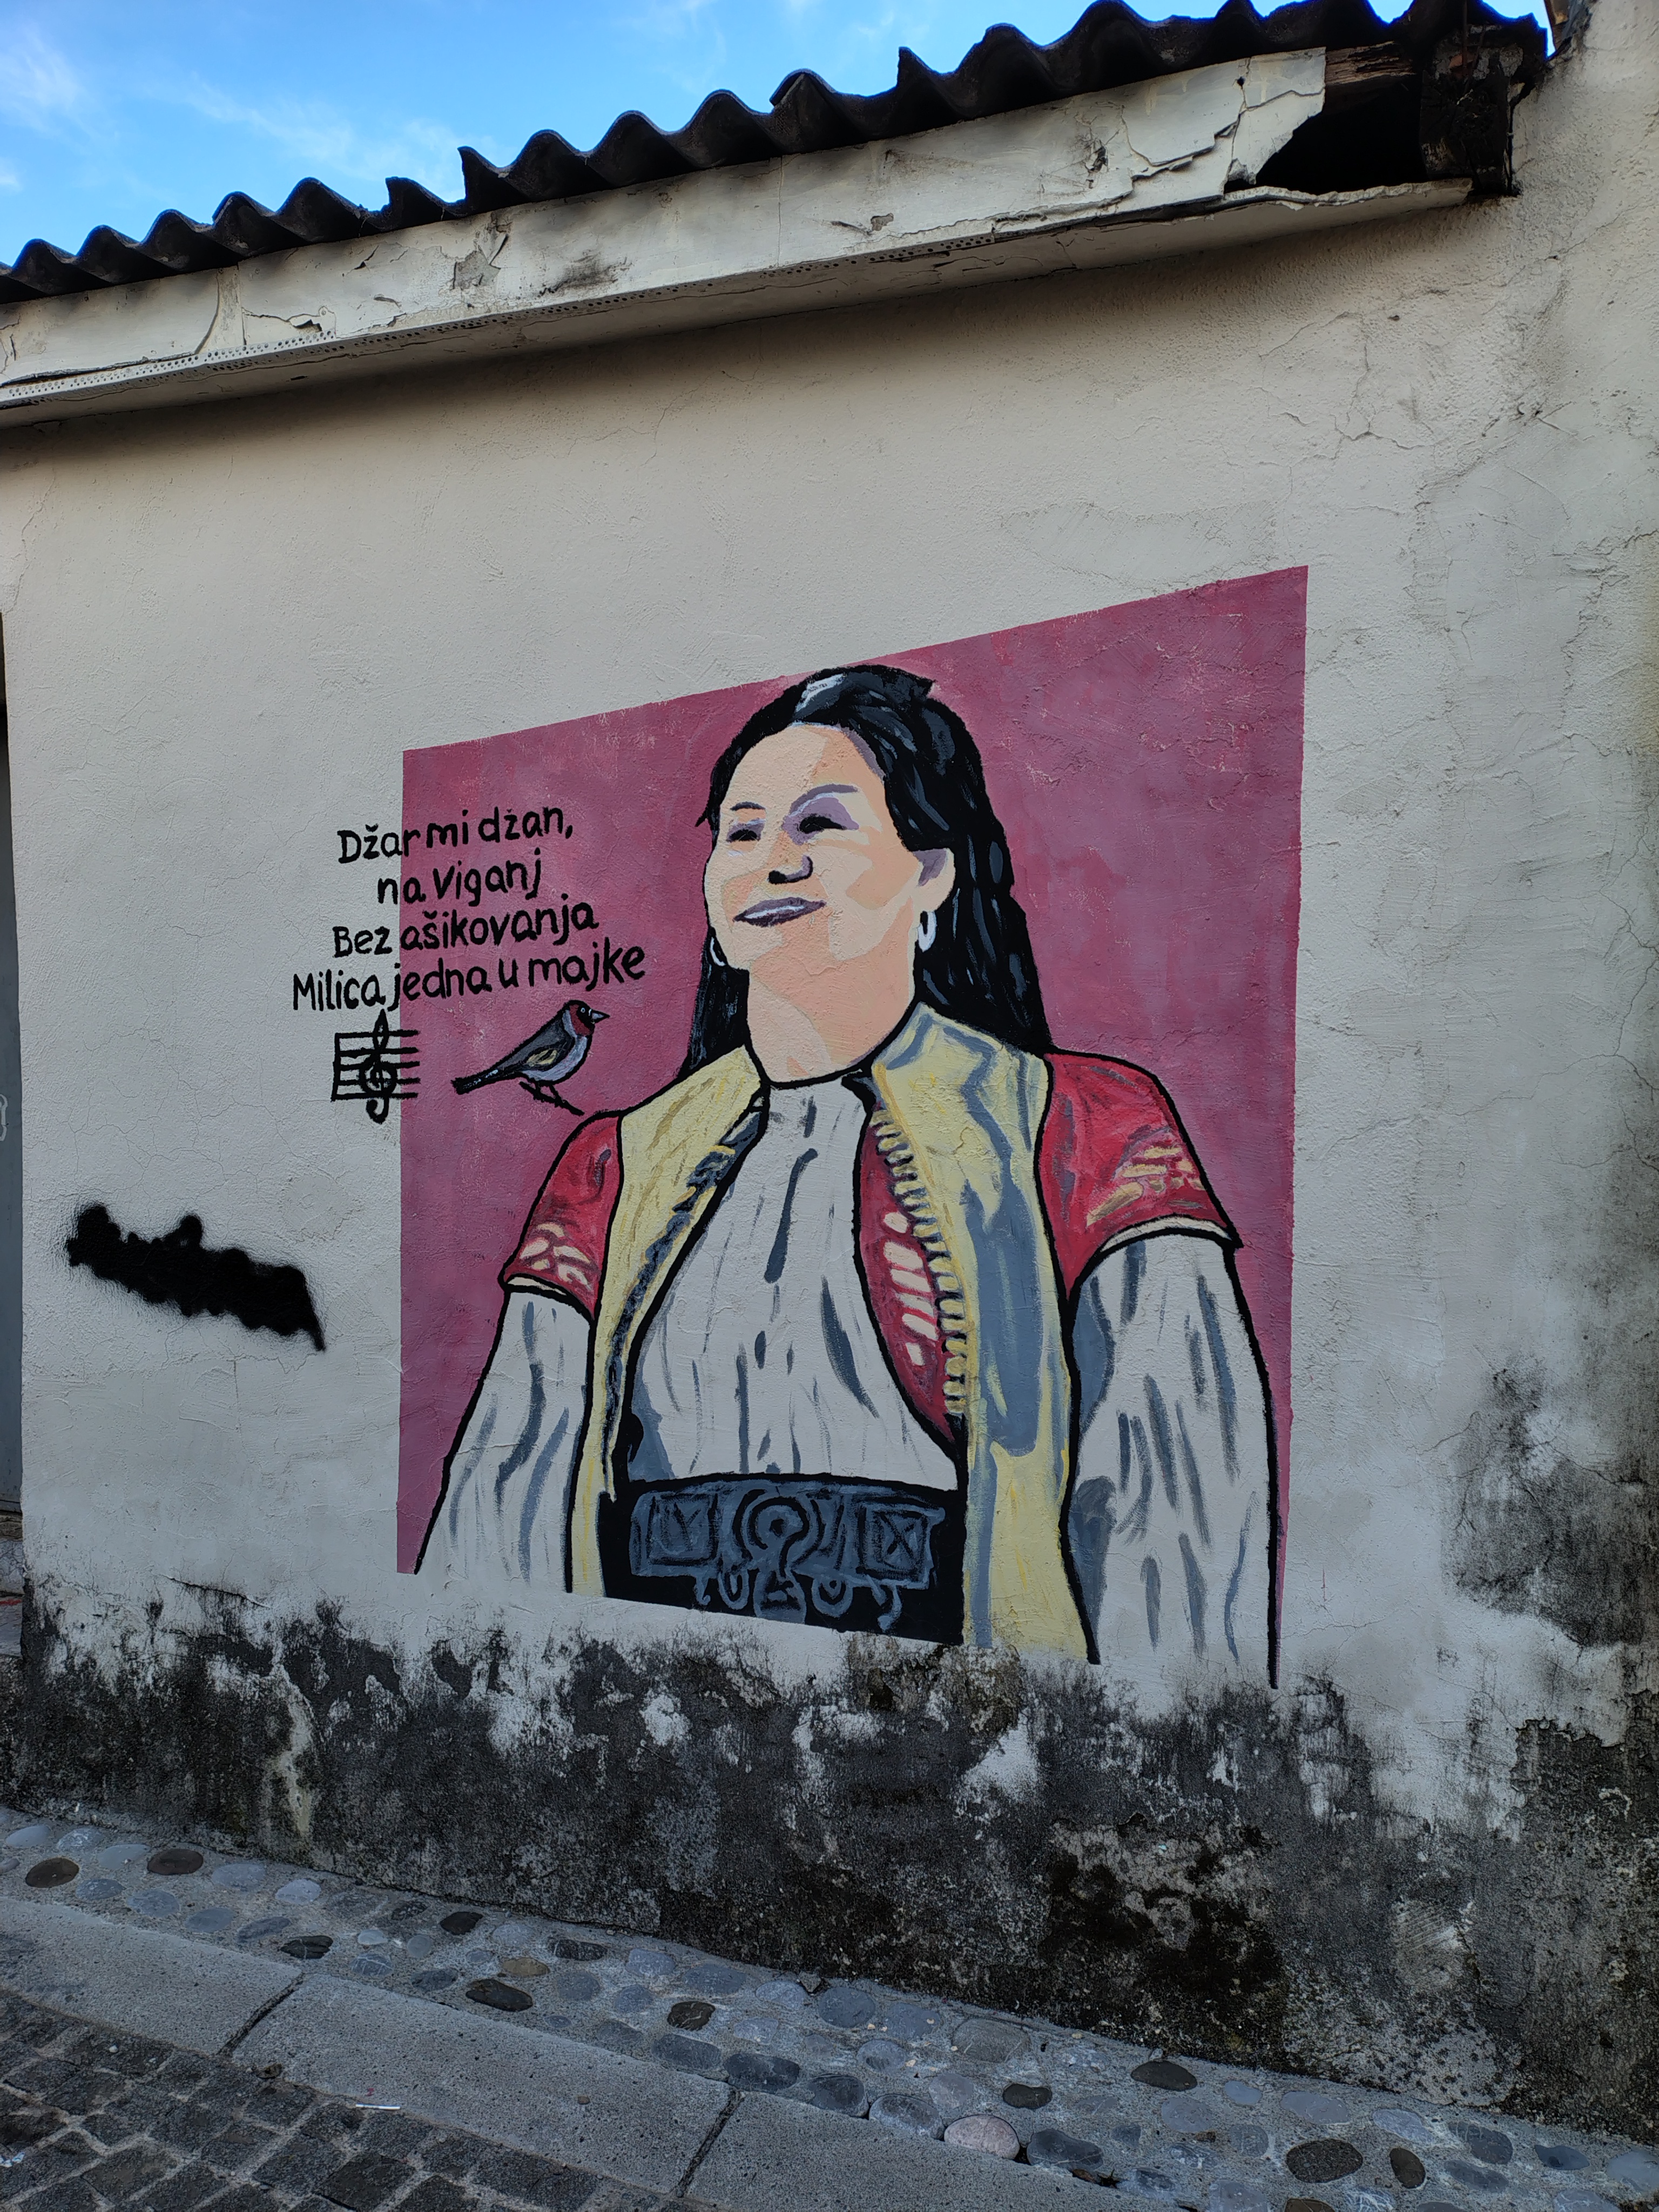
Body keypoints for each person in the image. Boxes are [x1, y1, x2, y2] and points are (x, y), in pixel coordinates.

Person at [423, 665, 1274, 1672]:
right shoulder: (616, 1165)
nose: (773, 862)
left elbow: (1173, 1526)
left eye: (820, 824)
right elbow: (503, 1515)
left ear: (932, 874)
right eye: (742, 833)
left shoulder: (1082, 1127)